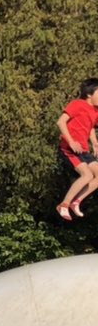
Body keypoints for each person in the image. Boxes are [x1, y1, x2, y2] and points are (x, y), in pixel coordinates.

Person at [56, 78, 98, 220]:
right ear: (89, 94)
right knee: (87, 175)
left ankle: (76, 202)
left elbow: (90, 126)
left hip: (83, 149)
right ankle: (64, 204)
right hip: (69, 148)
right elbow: (61, 122)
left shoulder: (95, 111)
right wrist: (71, 141)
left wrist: (95, 142)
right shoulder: (77, 104)